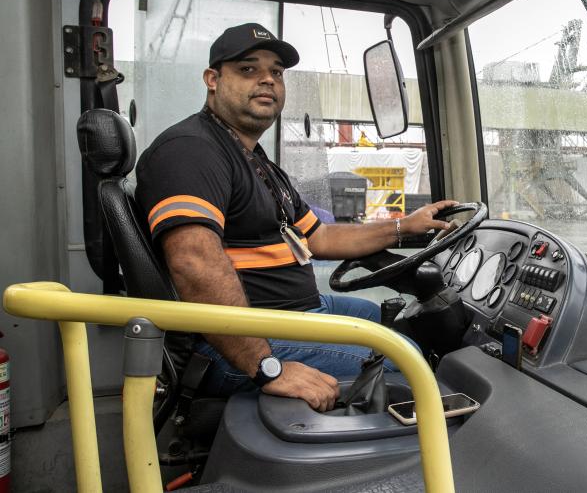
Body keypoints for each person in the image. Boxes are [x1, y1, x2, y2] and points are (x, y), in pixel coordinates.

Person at [135, 23, 455, 412]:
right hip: (242, 338)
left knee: (396, 324)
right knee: (404, 363)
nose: (268, 80)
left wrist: (405, 226)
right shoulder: (191, 150)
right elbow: (193, 261)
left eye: (277, 72)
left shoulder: (256, 161)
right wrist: (267, 367)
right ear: (212, 80)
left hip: (293, 313)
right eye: (248, 69)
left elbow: (319, 238)